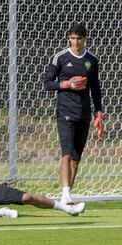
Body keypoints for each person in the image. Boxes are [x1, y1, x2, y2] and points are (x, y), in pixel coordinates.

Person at [44, 23, 103, 205]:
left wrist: (98, 112)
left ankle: (67, 197)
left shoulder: (92, 60)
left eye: (79, 38)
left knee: (76, 159)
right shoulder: (60, 58)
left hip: (83, 114)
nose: (75, 42)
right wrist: (66, 84)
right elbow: (47, 83)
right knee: (67, 153)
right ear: (69, 38)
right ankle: (65, 194)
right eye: (72, 38)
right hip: (65, 112)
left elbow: (95, 88)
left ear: (86, 38)